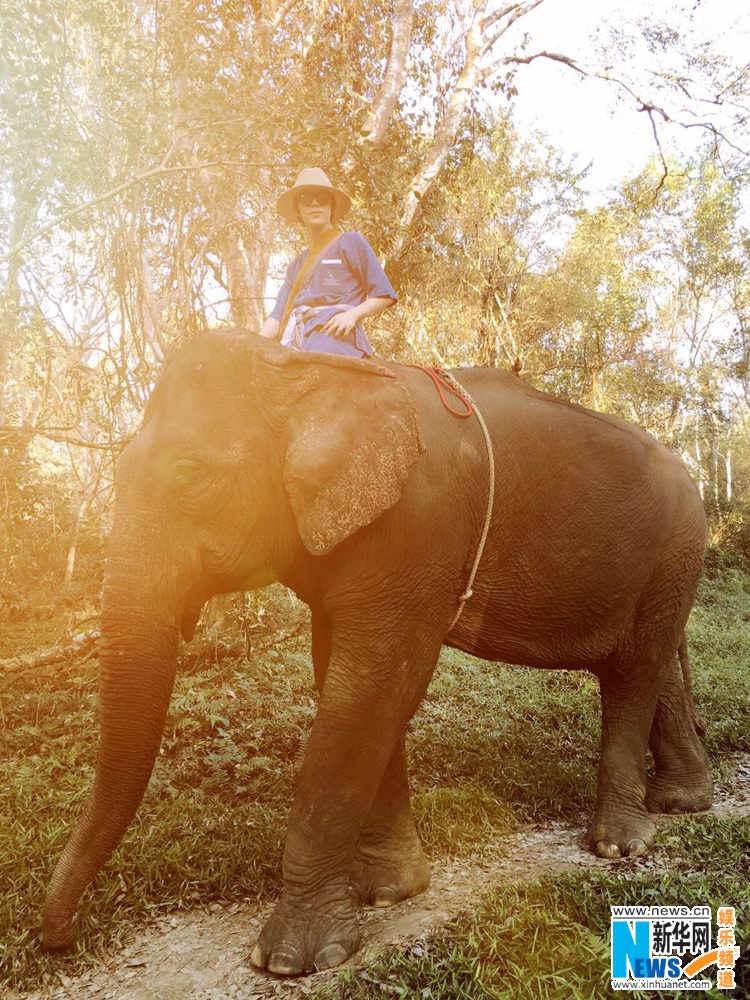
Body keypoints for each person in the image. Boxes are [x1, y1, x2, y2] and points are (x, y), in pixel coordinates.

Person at [258, 167, 397, 358]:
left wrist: (352, 315)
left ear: (331, 207)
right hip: (296, 339)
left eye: (322, 198)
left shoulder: (350, 242)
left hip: (335, 336)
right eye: (306, 199)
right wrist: (252, 346)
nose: (315, 203)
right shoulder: (297, 264)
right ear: (298, 210)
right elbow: (277, 317)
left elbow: (384, 295)